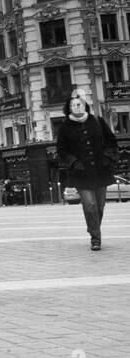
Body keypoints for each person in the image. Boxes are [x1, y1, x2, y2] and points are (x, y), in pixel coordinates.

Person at [57, 89, 119, 251]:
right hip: (81, 174)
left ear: (85, 106)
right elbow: (62, 151)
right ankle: (95, 238)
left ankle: (93, 227)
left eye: (79, 104)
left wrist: (107, 158)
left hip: (101, 171)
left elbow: (111, 141)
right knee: (90, 205)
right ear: (69, 108)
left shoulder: (97, 121)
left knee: (99, 206)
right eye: (73, 105)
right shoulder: (64, 127)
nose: (77, 107)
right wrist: (74, 163)